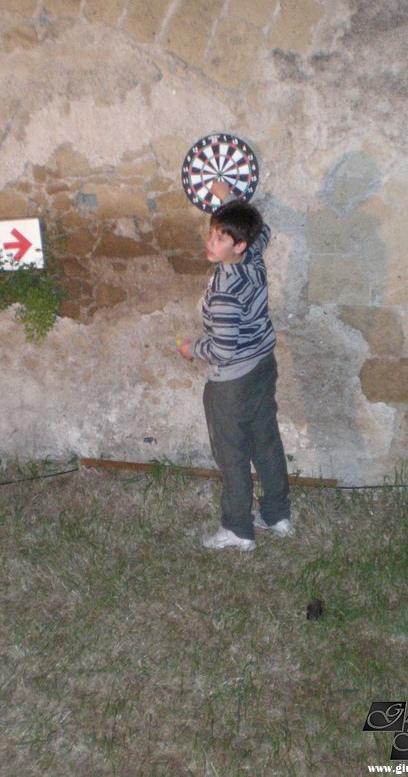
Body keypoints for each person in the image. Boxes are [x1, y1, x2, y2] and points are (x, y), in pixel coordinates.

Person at [177, 180, 293, 552]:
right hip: (262, 367)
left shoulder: (226, 290)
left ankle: (239, 530)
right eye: (212, 234)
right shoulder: (253, 255)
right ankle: (277, 515)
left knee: (232, 455)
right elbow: (264, 230)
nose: (211, 243)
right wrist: (228, 198)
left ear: (238, 245)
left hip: (233, 382)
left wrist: (190, 348)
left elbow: (222, 349)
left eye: (221, 238)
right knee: (266, 440)